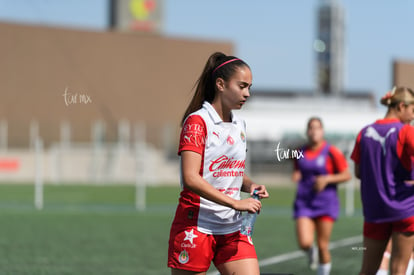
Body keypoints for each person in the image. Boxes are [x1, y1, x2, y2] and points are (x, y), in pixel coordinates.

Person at [167, 52, 269, 275]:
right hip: (196, 226)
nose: (247, 93)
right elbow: (191, 178)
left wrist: (250, 186)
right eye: (242, 86)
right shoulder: (197, 122)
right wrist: (235, 203)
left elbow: (231, 173)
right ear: (220, 84)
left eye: (249, 87)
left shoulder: (240, 124)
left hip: (233, 228)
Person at [350, 86, 414, 275]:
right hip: (404, 207)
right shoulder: (406, 131)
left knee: (367, 270)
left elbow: (359, 172)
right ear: (401, 106)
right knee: (398, 269)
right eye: (412, 110)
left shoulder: (364, 132)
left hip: (374, 210)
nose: (412, 116)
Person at [292, 117, 351, 275]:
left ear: (322, 131)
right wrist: (297, 174)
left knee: (323, 245)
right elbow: (298, 168)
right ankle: (311, 252)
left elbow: (346, 175)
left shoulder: (332, 152)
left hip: (326, 203)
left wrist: (327, 179)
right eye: (311, 128)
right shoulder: (300, 151)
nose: (314, 131)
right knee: (305, 242)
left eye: (317, 128)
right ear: (307, 131)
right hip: (304, 201)